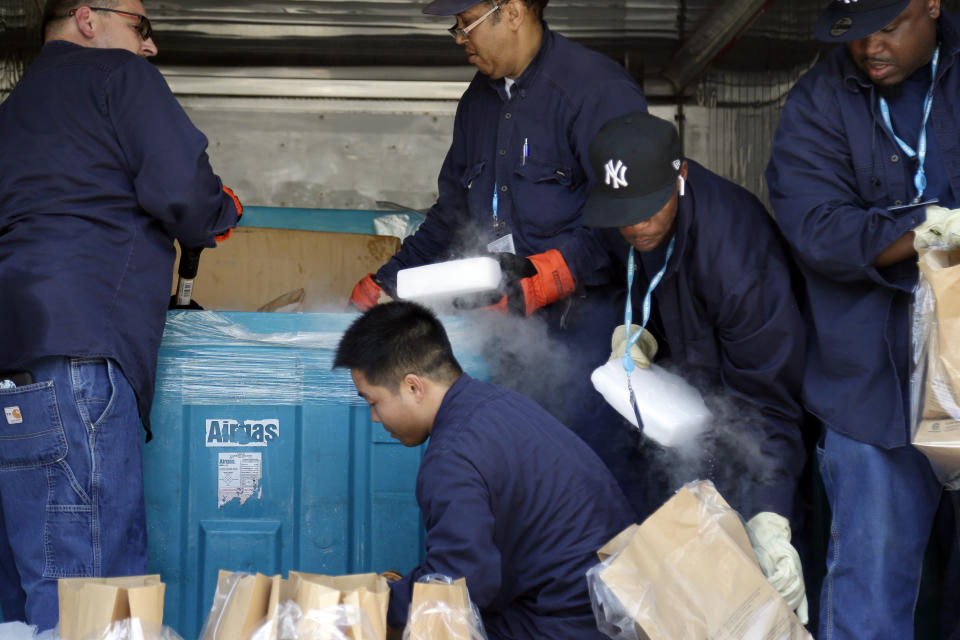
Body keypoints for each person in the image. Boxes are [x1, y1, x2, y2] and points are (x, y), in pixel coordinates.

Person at [348, 0, 649, 514]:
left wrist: (547, 276)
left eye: (466, 24)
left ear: (512, 11)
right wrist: (391, 280)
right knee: (522, 485)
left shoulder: (596, 91)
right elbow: (451, 214)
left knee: (595, 484)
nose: (460, 38)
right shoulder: (479, 103)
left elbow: (632, 214)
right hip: (511, 334)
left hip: (589, 332)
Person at [0, 0, 242, 629]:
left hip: (14, 368)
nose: (150, 47)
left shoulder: (14, 110)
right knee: (97, 599)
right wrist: (221, 211)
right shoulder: (119, 76)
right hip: (82, 356)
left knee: (37, 591)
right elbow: (185, 193)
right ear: (88, 18)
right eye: (142, 27)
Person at [765, 0, 960, 637]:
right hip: (870, 384)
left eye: (886, 27)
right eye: (853, 33)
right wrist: (928, 232)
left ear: (930, 4)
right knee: (869, 594)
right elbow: (818, 230)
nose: (868, 47)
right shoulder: (818, 101)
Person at [583, 112, 809, 621]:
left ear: (679, 176)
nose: (634, 224)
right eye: (622, 211)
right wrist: (640, 334)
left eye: (646, 208)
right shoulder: (636, 223)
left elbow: (769, 402)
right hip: (695, 417)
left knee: (762, 590)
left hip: (761, 423)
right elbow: (645, 285)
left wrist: (772, 514)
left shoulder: (738, 260)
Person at [334, 301, 635, 639]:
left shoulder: (450, 457)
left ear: (413, 387)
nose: (375, 418)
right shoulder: (498, 403)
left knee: (413, 624)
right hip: (613, 604)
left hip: (572, 623)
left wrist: (376, 604)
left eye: (373, 402)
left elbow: (458, 587)